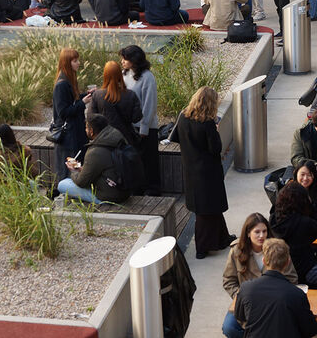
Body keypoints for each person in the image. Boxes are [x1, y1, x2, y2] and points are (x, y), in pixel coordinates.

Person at [170, 86, 233, 259]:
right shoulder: (207, 123)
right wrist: (216, 130)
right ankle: (202, 248)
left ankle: (222, 238)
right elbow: (216, 149)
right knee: (206, 210)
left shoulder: (183, 116)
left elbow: (174, 137)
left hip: (191, 169)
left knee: (209, 207)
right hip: (208, 172)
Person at [221, 214, 299, 338]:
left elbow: (292, 279)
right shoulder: (236, 251)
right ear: (248, 233)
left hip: (273, 304)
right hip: (246, 304)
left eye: (264, 231)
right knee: (229, 328)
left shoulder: (279, 249)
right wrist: (241, 297)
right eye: (257, 232)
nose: (262, 236)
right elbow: (228, 280)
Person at [233, 238, 317, 338]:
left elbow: (240, 316)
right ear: (288, 262)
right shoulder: (297, 294)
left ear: (264, 261)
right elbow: (310, 330)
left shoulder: (246, 288)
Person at [58, 113, 131, 204]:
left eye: (86, 128)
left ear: (91, 131)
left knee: (63, 184)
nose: (85, 130)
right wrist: (82, 169)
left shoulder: (95, 151)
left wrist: (73, 171)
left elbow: (81, 182)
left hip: (108, 197)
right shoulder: (118, 138)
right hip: (125, 192)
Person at [119, 45, 159, 195]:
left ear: (134, 60)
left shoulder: (147, 77)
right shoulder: (124, 74)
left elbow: (150, 105)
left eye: (125, 58)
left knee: (149, 161)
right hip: (130, 126)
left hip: (145, 127)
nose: (122, 61)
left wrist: (144, 128)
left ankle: (152, 191)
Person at [50, 48, 93, 185]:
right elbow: (63, 112)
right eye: (75, 61)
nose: (78, 63)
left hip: (74, 131)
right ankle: (67, 192)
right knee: (70, 166)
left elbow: (71, 101)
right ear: (67, 63)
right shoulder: (62, 85)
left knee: (75, 163)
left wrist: (85, 95)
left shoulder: (68, 79)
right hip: (69, 135)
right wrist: (83, 103)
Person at [269, 182, 317, 283]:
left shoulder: (273, 220)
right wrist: (311, 206)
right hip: (304, 269)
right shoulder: (304, 222)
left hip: (281, 268)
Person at [87, 61, 142, 147]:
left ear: (105, 75)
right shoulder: (130, 94)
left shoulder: (97, 95)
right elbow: (137, 117)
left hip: (104, 141)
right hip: (126, 140)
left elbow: (91, 117)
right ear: (120, 75)